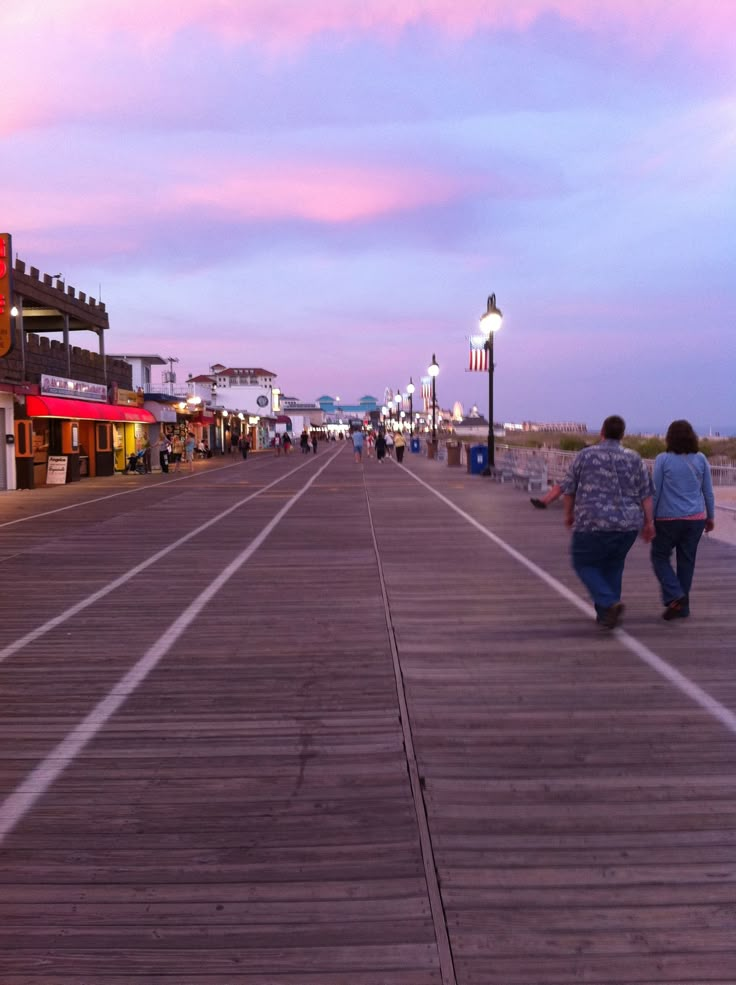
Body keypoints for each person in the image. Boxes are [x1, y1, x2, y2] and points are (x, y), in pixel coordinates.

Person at [561, 415, 654, 629]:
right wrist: (649, 522)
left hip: (592, 522)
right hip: (627, 525)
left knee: (583, 563)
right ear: (622, 434)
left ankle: (608, 602)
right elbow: (646, 494)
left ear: (601, 431)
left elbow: (569, 488)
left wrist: (568, 514)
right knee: (614, 565)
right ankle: (606, 615)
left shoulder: (586, 456)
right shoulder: (634, 458)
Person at [650, 419, 715, 620]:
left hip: (668, 519)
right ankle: (682, 607)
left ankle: (675, 595)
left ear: (670, 438)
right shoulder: (701, 459)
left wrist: (649, 519)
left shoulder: (663, 459)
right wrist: (710, 516)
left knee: (659, 556)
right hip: (695, 519)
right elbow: (708, 492)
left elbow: (655, 492)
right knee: (686, 562)